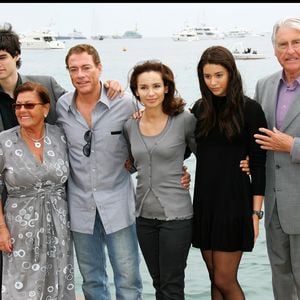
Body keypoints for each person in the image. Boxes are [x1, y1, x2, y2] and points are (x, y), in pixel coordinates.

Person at [56, 43, 144, 300]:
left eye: (86, 67)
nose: (81, 74)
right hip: (80, 207)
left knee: (128, 281)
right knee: (92, 282)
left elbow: (151, 135)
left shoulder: (126, 103)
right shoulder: (61, 107)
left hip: (118, 205)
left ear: (99, 68)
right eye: (74, 69)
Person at [191, 46, 267, 299]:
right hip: (205, 202)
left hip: (234, 202)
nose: (212, 82)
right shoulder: (200, 109)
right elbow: (178, 146)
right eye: (207, 76)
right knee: (214, 277)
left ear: (231, 74)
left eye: (218, 75)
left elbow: (258, 164)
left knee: (225, 278)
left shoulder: (250, 109)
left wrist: (255, 213)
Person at [124, 60, 197, 299]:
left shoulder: (184, 120)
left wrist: (187, 174)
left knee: (172, 285)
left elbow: (207, 158)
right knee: (157, 283)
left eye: (156, 86)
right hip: (144, 216)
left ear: (166, 87)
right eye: (143, 87)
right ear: (136, 91)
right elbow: (134, 163)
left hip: (177, 217)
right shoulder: (130, 125)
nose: (150, 92)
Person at [0, 82, 75, 299]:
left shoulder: (61, 136)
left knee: (59, 279)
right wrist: (1, 228)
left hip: (59, 226)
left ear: (45, 108)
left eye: (29, 105)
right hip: (19, 228)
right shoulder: (4, 142)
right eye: (18, 106)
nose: (22, 110)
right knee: (20, 284)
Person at [253, 17, 300, 300]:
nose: (290, 50)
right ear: (274, 50)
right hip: (274, 208)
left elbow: (282, 144)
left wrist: (291, 145)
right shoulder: (264, 85)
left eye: (296, 43)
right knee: (281, 281)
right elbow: (254, 135)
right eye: (283, 44)